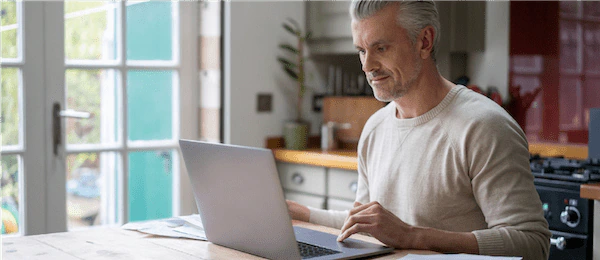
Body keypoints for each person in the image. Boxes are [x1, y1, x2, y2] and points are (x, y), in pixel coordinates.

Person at [286, 0, 551, 259]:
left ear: (424, 41)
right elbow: (367, 223)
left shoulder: (484, 126)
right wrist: (299, 213)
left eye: (381, 48)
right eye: (362, 50)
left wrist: (414, 236)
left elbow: (531, 244)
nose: (367, 66)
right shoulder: (375, 128)